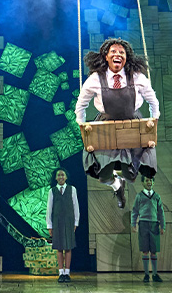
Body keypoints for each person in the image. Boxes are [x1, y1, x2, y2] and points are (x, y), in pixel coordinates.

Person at [75, 38, 160, 209]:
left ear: (126, 58)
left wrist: (153, 122)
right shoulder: (96, 79)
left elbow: (153, 101)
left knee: (131, 176)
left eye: (122, 52)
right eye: (113, 52)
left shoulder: (137, 77)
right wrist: (84, 130)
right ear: (106, 56)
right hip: (106, 127)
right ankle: (117, 187)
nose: (117, 55)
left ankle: (123, 179)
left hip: (131, 125)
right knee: (104, 175)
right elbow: (81, 105)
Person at [46, 168, 79, 282]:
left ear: (66, 177)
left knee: (68, 247)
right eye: (58, 175)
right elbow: (49, 209)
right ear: (55, 178)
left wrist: (76, 222)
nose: (60, 177)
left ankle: (67, 272)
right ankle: (61, 273)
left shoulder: (72, 189)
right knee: (59, 248)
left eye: (62, 175)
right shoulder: (52, 191)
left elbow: (76, 206)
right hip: (57, 222)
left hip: (69, 221)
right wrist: (49, 225)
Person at [130, 175, 164, 283]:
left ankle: (154, 274)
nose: (149, 182)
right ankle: (146, 275)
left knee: (154, 251)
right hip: (143, 224)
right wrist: (133, 224)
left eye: (151, 180)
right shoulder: (139, 196)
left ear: (153, 183)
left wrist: (163, 226)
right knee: (145, 250)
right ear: (143, 182)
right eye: (147, 180)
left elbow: (161, 212)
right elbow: (135, 211)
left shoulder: (157, 196)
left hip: (154, 225)